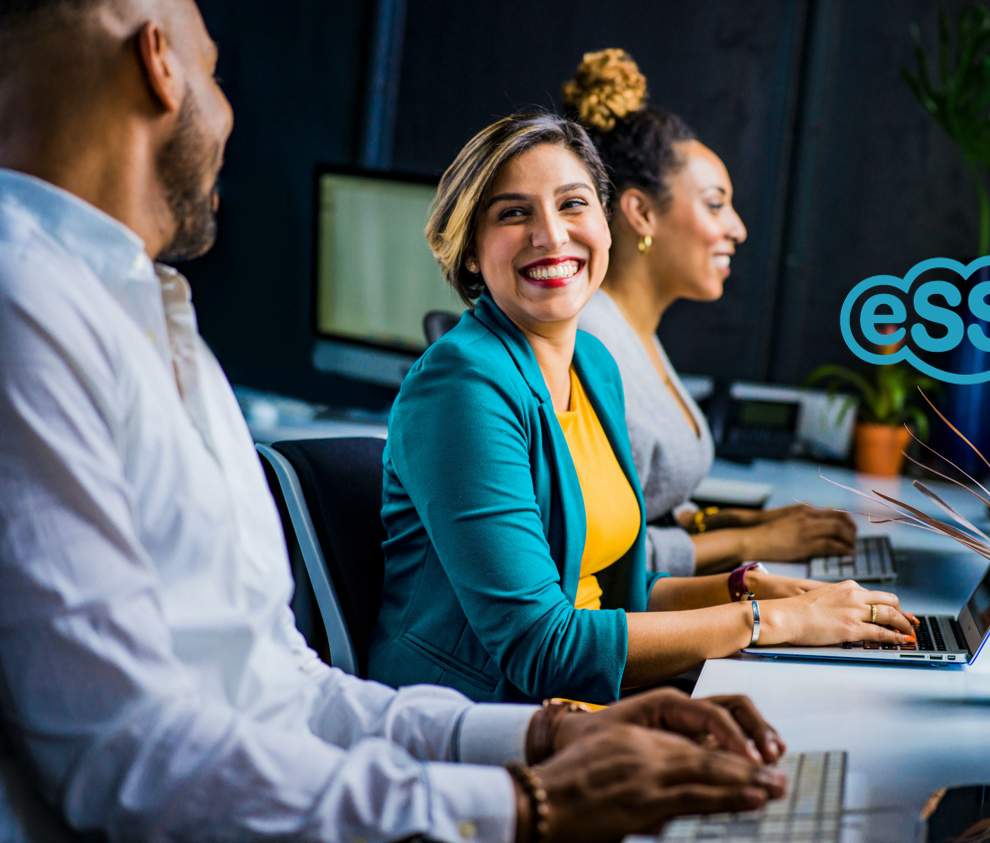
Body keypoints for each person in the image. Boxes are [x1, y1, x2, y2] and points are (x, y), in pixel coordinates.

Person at [0, 2, 792, 841]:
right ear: (160, 65)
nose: (227, 112)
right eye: (215, 71)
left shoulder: (146, 311)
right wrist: (528, 801)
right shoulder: (28, 307)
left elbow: (282, 690)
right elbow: (131, 760)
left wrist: (550, 737)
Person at [370, 110, 917, 705]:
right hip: (477, 722)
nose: (551, 235)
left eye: (573, 204)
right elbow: (541, 646)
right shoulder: (461, 388)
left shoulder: (594, 365)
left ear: (606, 224)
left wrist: (755, 591)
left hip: (584, 704)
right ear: (472, 252)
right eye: (513, 213)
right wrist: (770, 622)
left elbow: (617, 595)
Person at [567, 48, 861, 578]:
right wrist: (752, 540)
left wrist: (741, 522)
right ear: (641, 211)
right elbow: (598, 558)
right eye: (714, 203)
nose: (737, 228)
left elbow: (646, 509)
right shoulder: (591, 344)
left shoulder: (635, 334)